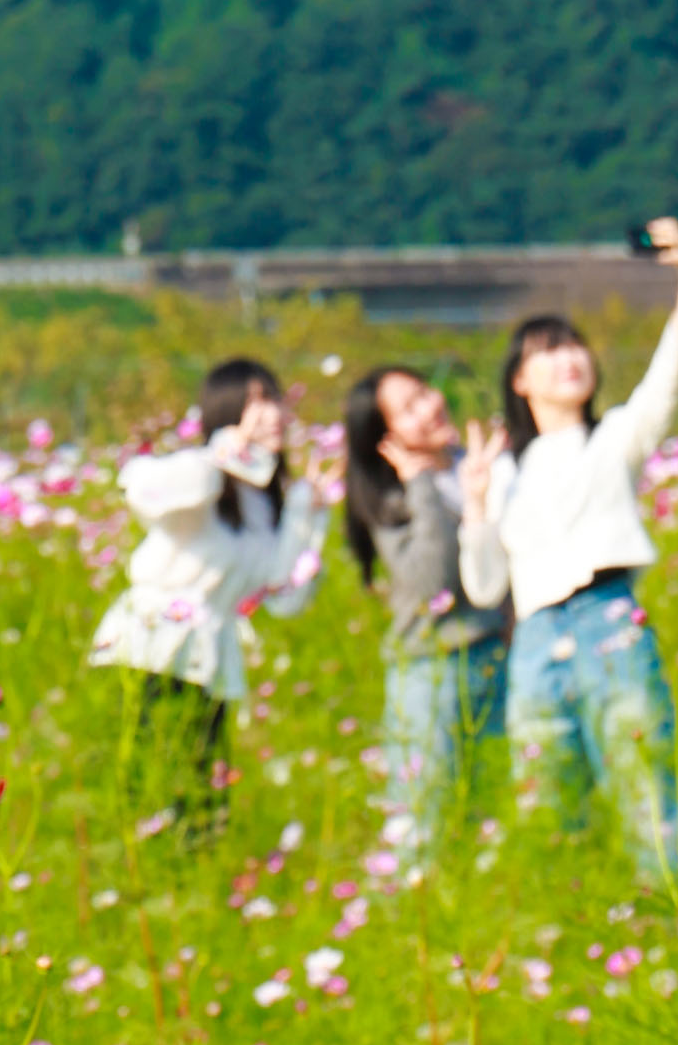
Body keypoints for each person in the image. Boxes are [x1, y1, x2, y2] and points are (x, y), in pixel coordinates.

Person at [463, 216, 678, 880]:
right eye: (549, 351)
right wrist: (477, 503)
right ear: (519, 379)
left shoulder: (616, 438)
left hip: (608, 620)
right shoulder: (505, 470)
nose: (570, 360)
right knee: (544, 799)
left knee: (645, 784)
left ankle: (666, 919)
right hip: (536, 640)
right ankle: (562, 927)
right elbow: (485, 588)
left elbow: (675, 359)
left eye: (575, 349)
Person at [88, 357, 329, 829]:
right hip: (151, 647)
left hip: (210, 656)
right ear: (226, 411)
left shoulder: (268, 501)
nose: (273, 414)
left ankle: (190, 876)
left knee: (202, 792)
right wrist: (221, 454)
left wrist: (307, 514)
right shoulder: (201, 478)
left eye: (275, 399)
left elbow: (283, 595)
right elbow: (139, 488)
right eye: (256, 401)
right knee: (149, 784)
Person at [342, 363, 509, 872]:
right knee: (423, 819)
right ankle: (409, 925)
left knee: (493, 813)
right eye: (409, 408)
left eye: (424, 393)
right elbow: (431, 583)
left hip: (498, 657)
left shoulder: (477, 466)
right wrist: (421, 487)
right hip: (430, 670)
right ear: (384, 437)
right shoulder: (390, 501)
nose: (430, 407)